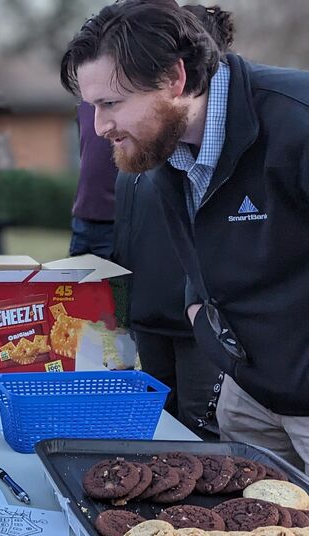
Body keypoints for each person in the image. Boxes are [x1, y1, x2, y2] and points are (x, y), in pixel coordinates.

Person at [60, 0, 309, 470]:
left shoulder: (297, 120)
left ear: (174, 79)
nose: (100, 127)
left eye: (111, 103)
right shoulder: (166, 151)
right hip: (248, 394)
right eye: (93, 106)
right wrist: (204, 321)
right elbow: (200, 254)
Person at [110, 5, 235, 439]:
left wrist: (200, 309)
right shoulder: (144, 138)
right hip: (146, 310)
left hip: (195, 322)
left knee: (199, 431)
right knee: (155, 426)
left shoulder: (212, 138)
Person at [69, 101, 118, 259]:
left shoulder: (123, 102)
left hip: (115, 221)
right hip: (82, 216)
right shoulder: (82, 106)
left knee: (114, 283)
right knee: (75, 281)